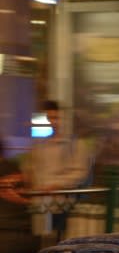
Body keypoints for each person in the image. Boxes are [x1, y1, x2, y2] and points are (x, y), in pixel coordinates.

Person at [21, 100, 93, 242]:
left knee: (59, 242)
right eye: (49, 118)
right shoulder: (39, 144)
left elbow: (80, 172)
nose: (53, 122)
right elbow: (30, 168)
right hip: (39, 204)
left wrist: (56, 184)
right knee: (40, 242)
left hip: (61, 204)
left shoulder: (75, 144)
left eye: (56, 118)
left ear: (64, 119)